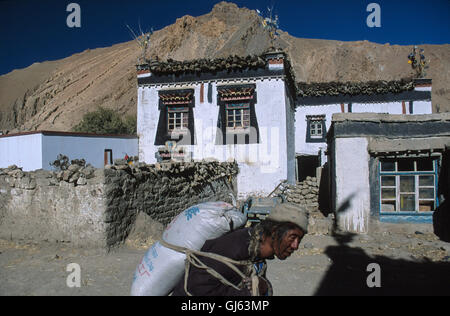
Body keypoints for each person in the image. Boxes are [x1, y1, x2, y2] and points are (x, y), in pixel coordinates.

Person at [171, 202, 308, 296]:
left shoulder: (257, 254)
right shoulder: (235, 247)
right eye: (292, 237)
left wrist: (264, 286)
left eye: (299, 239)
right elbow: (197, 288)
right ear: (274, 231)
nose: (295, 246)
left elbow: (259, 287)